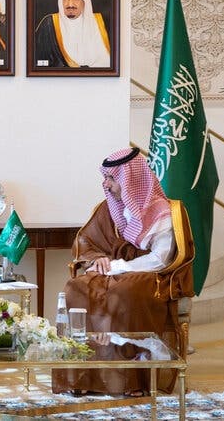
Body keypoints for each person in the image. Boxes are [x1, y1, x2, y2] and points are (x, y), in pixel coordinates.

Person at [51, 147, 194, 396]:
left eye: (112, 178)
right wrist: (99, 260)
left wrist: (119, 266)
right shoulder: (107, 209)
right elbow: (87, 243)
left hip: (151, 276)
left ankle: (132, 380)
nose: (105, 184)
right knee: (77, 287)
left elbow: (160, 259)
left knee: (126, 292)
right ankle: (84, 376)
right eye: (105, 178)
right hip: (114, 273)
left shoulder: (165, 212)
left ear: (131, 179)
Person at [34, 0, 110, 68]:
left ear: (84, 1)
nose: (70, 4)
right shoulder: (48, 24)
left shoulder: (101, 22)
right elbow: (38, 63)